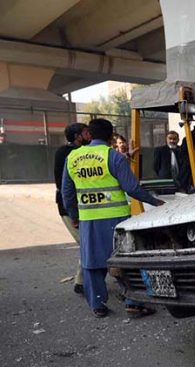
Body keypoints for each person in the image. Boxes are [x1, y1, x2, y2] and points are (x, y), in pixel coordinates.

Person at [62, 118, 164, 318]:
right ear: (111, 137)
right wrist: (155, 202)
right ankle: (133, 302)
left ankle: (98, 305)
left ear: (89, 135)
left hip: (89, 219)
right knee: (125, 261)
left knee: (92, 262)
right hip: (117, 219)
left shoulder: (72, 158)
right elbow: (131, 188)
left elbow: (67, 192)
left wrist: (74, 216)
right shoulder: (113, 156)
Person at [54, 122, 91, 294]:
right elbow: (64, 187)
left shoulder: (81, 152)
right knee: (87, 244)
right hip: (70, 208)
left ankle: (82, 282)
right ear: (77, 136)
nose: (89, 135)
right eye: (85, 132)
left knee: (88, 244)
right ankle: (82, 283)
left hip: (83, 207)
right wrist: (73, 212)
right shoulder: (65, 153)